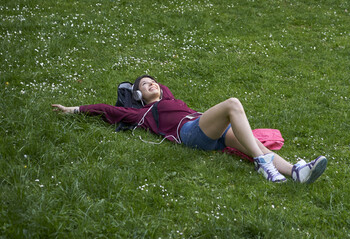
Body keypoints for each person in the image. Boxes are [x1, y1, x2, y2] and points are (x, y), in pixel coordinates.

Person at [52, 75, 327, 183]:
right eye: (144, 85)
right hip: (190, 133)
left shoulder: (169, 100)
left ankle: (296, 172)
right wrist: (73, 109)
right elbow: (108, 109)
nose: (152, 85)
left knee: (251, 141)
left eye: (154, 82)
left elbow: (163, 90)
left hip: (206, 129)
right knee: (233, 104)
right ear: (137, 96)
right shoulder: (142, 113)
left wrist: (158, 89)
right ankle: (262, 164)